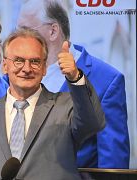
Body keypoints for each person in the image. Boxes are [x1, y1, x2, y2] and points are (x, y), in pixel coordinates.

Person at [0, 28, 105, 179]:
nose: (27, 68)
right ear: (4, 66)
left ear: (44, 68)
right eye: (18, 61)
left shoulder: (67, 106)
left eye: (35, 61)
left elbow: (93, 123)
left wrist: (75, 77)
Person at [17, 0, 129, 168]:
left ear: (53, 31)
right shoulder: (12, 76)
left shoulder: (106, 81)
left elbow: (113, 165)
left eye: (26, 31)